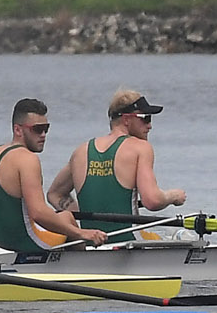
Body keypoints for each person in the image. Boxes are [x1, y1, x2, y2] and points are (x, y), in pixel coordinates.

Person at [0, 97, 112, 257]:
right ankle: (86, 268)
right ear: (18, 130)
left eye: (46, 128)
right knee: (67, 218)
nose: (43, 135)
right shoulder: (27, 159)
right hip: (25, 244)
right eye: (37, 129)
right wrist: (81, 233)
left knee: (64, 215)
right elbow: (38, 213)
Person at [49, 90, 186, 233]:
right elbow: (152, 201)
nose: (150, 126)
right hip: (129, 242)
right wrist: (173, 196)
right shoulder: (141, 148)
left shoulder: (81, 152)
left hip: (91, 243)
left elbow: (55, 194)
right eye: (146, 118)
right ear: (126, 119)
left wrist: (84, 221)